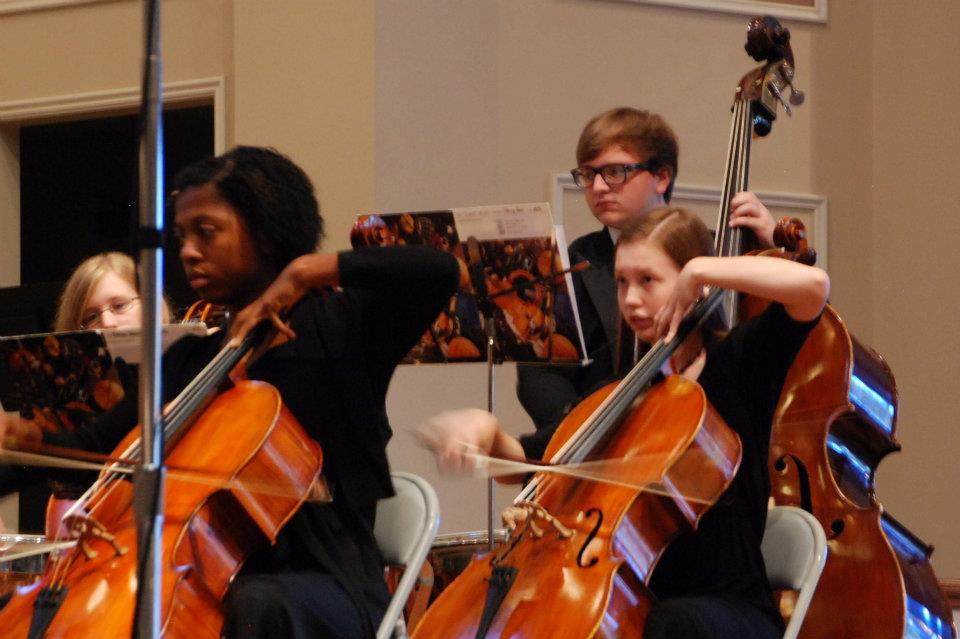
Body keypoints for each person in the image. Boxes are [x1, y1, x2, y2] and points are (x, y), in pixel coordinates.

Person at [0, 145, 460, 638]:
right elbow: (96, 449)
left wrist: (305, 271)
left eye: (207, 232)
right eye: (182, 236)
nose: (187, 251)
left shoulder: (341, 329)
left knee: (259, 604)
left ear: (265, 232)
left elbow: (438, 270)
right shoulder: (189, 360)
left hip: (323, 583)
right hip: (203, 577)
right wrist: (25, 441)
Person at [422, 206, 829, 638]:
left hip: (727, 614)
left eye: (648, 281)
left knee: (673, 623)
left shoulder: (740, 362)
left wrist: (703, 269)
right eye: (621, 282)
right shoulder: (621, 393)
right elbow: (534, 463)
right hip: (639, 607)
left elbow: (813, 288)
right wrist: (487, 431)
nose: (631, 299)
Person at [516, 107, 777, 459]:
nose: (597, 187)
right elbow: (540, 374)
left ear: (662, 177)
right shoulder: (568, 264)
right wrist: (592, 434)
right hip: (598, 451)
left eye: (614, 172)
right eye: (588, 174)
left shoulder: (717, 256)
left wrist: (775, 247)